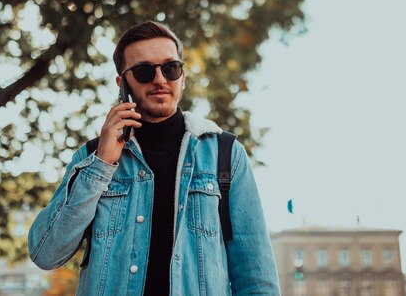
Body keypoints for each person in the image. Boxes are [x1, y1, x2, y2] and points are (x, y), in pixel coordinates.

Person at [28, 20, 280, 295]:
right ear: (122, 83)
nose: (160, 79)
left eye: (171, 68)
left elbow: (256, 276)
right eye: (144, 71)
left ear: (182, 77)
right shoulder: (91, 158)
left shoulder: (225, 154)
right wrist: (102, 165)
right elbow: (46, 253)